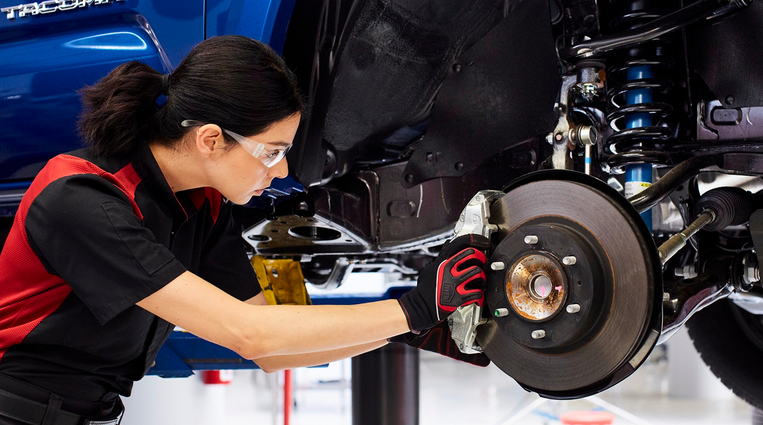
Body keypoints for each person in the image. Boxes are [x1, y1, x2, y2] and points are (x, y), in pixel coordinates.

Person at [0, 35, 489, 425]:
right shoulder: (82, 199)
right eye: (272, 151)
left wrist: (404, 330)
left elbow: (278, 345)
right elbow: (250, 335)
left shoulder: (204, 205)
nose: (280, 172)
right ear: (210, 139)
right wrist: (413, 308)